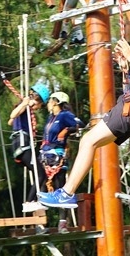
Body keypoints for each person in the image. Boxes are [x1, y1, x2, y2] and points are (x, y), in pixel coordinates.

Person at [38, 0, 130, 208]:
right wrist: (125, 66)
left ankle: (66, 193)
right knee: (90, 143)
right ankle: (66, 193)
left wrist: (129, 57)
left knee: (88, 141)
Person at [37, 91, 84, 233]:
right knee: (42, 188)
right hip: (45, 157)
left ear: (56, 101)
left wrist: (67, 130)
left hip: (57, 157)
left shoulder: (64, 115)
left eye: (50, 100)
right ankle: (40, 224)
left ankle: (62, 224)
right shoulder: (50, 117)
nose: (48, 102)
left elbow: (80, 124)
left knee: (61, 189)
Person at [8, 84, 51, 213]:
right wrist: (25, 104)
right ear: (37, 100)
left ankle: (37, 201)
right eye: (40, 105)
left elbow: (10, 123)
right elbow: (12, 116)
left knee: (41, 173)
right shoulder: (24, 106)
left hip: (21, 145)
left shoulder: (27, 109)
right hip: (23, 145)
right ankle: (29, 202)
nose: (39, 108)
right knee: (40, 173)